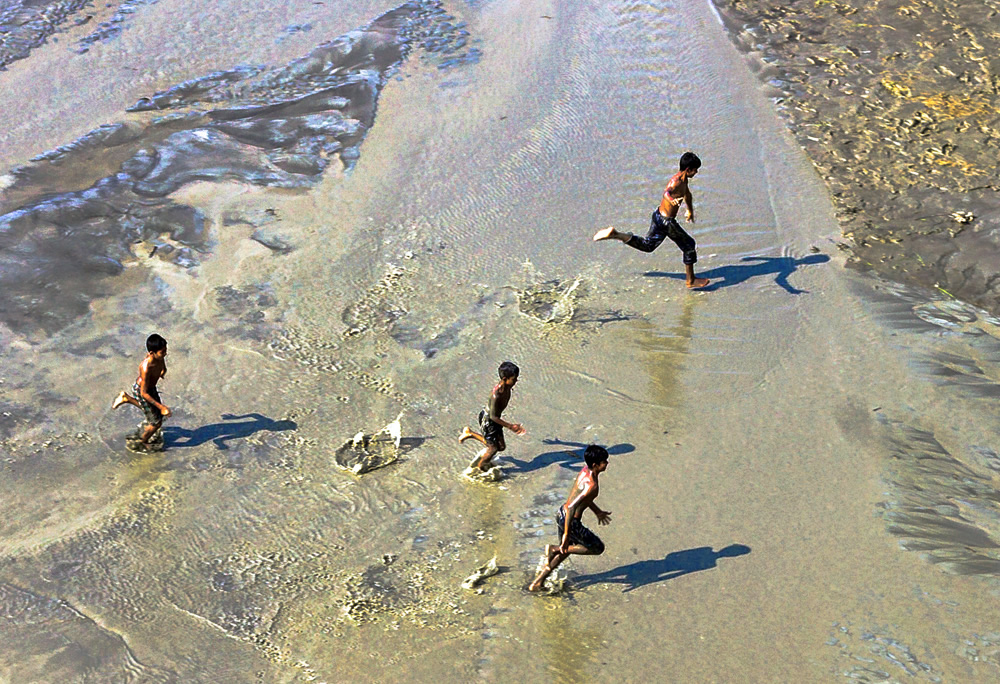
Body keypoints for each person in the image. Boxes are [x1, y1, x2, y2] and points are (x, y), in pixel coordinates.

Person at [593, 151, 710, 289]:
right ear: (688, 169)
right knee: (689, 246)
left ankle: (617, 235)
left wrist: (689, 210)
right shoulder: (676, 181)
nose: (696, 172)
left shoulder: (684, 181)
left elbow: (687, 195)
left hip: (658, 216)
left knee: (648, 246)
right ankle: (690, 280)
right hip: (667, 222)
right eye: (695, 170)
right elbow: (667, 192)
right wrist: (671, 200)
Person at [529, 444, 611, 592]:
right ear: (595, 464)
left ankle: (537, 582)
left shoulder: (585, 470)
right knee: (598, 548)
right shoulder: (592, 485)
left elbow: (583, 499)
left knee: (565, 551)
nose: (607, 463)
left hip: (561, 514)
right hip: (571, 520)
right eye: (604, 461)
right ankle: (553, 549)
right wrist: (567, 534)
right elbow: (572, 507)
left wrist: (597, 511)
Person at [459, 361, 526, 471]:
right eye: (514, 379)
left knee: (501, 447)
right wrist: (511, 426)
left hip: (496, 420)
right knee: (493, 448)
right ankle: (480, 469)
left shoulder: (508, 387)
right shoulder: (496, 395)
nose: (516, 381)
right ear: (505, 379)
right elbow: (493, 417)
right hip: (489, 421)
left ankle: (470, 434)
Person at [111, 333, 171, 449]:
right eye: (162, 352)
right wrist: (161, 407)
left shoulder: (159, 357)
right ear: (152, 353)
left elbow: (162, 364)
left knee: (155, 414)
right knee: (156, 423)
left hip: (151, 388)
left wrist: (163, 371)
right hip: (142, 391)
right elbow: (144, 393)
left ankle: (126, 398)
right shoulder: (145, 367)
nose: (165, 354)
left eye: (165, 351)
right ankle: (143, 441)